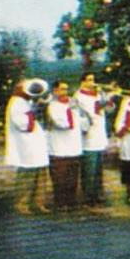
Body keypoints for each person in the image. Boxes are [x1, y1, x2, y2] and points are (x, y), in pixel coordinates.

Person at [5, 79, 50, 214]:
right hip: (25, 146)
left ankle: (38, 203)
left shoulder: (27, 102)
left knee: (40, 176)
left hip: (36, 145)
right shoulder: (16, 103)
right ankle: (22, 204)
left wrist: (39, 107)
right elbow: (23, 125)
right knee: (26, 177)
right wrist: (33, 112)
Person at [73, 72, 112, 206]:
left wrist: (108, 98)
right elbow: (88, 112)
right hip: (88, 136)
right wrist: (102, 101)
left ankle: (98, 193)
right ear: (82, 82)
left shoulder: (98, 94)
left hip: (99, 135)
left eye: (93, 80)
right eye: (89, 80)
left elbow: (108, 110)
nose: (93, 83)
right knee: (89, 168)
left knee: (98, 169)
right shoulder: (78, 97)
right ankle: (88, 196)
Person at [47, 79, 83, 210]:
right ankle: (60, 203)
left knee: (72, 178)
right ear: (55, 91)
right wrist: (71, 109)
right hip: (59, 149)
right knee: (60, 179)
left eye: (66, 89)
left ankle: (71, 202)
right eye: (62, 89)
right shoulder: (53, 106)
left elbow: (82, 124)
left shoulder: (73, 105)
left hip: (74, 147)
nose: (65, 92)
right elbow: (62, 124)